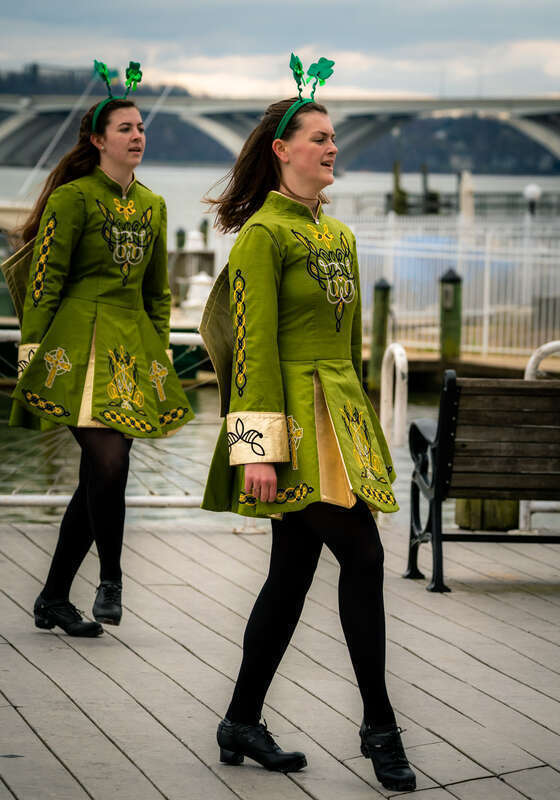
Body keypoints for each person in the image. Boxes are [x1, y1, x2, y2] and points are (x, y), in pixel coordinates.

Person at [200, 55, 416, 793]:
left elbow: (350, 350)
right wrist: (254, 448)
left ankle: (240, 720)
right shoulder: (263, 235)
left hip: (339, 418)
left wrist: (363, 434)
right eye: (316, 137)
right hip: (289, 427)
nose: (331, 148)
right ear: (280, 151)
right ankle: (380, 727)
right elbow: (254, 342)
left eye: (333, 138)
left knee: (290, 577)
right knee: (364, 560)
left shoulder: (341, 238)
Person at [10, 61, 194, 637]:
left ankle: (53, 599)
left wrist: (157, 355)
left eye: (141, 128)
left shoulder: (155, 205)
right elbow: (43, 284)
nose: (138, 136)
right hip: (73, 351)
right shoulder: (73, 199)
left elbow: (157, 292)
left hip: (129, 355)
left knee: (100, 475)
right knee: (110, 462)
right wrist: (31, 357)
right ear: (97, 140)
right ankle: (111, 578)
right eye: (125, 128)